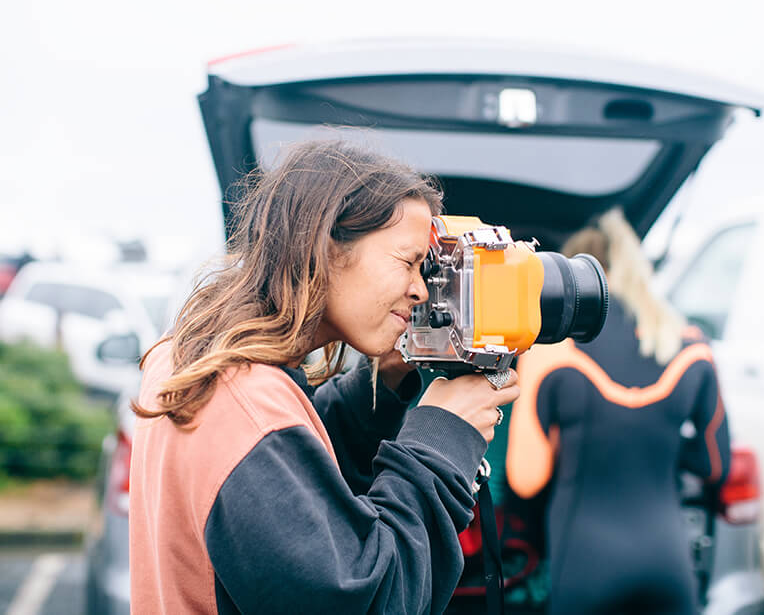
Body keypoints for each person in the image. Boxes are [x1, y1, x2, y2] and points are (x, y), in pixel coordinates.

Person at [128, 140, 520, 614]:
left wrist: (379, 392)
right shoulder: (247, 409)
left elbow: (286, 494)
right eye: (407, 262)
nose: (420, 290)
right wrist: (440, 442)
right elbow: (367, 597)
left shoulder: (191, 358)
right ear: (325, 247)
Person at [505, 208, 731, 615]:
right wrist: (656, 442)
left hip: (586, 563)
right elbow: (716, 466)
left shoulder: (552, 352)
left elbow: (525, 478)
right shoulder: (693, 347)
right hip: (669, 561)